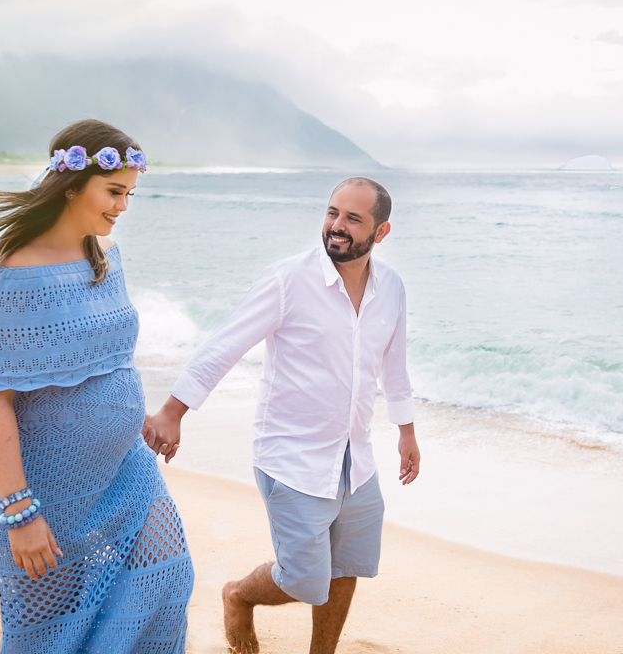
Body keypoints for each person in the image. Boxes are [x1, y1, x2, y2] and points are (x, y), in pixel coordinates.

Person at [142, 177, 420, 654]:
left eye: (353, 218)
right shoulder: (287, 280)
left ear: (382, 230)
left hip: (358, 456)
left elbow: (394, 365)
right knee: (303, 581)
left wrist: (406, 432)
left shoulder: (391, 288)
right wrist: (173, 410)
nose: (336, 226)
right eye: (332, 212)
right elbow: (224, 345)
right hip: (291, 459)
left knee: (346, 567)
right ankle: (237, 595)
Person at [0, 119, 193, 653]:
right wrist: (19, 510)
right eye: (114, 191)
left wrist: (138, 418)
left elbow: (105, 361)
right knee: (54, 626)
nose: (123, 207)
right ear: (70, 185)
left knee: (167, 576)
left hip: (126, 466)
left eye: (130, 194)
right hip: (45, 483)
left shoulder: (103, 257)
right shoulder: (9, 275)